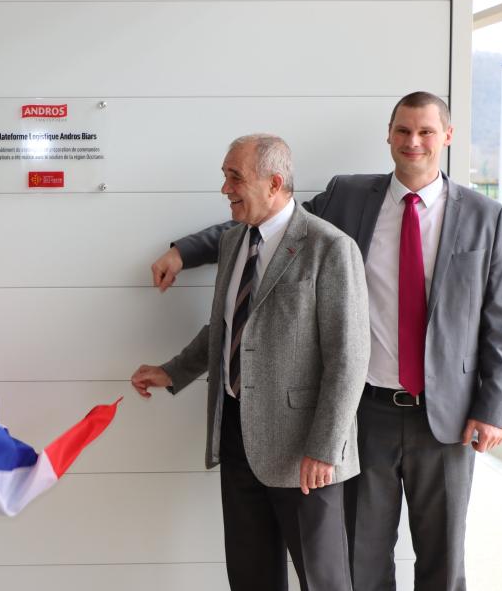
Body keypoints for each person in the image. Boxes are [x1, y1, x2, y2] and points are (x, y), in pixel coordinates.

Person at [150, 93, 502, 591]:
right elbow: (267, 220)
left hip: (446, 417)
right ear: (388, 135)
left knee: (443, 556)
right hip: (367, 412)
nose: (413, 142)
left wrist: (493, 406)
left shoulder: (484, 215)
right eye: (403, 130)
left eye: (426, 132)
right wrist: (183, 250)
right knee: (363, 559)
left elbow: (500, 320)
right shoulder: (348, 198)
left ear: (446, 137)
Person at [132, 134, 370, 591]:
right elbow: (226, 328)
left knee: (324, 580)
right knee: (250, 576)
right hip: (237, 437)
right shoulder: (232, 242)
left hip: (306, 451)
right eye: (225, 176)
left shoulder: (330, 248)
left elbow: (350, 358)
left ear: (275, 183)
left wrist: (325, 446)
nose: (225, 188)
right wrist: (173, 371)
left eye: (235, 177)